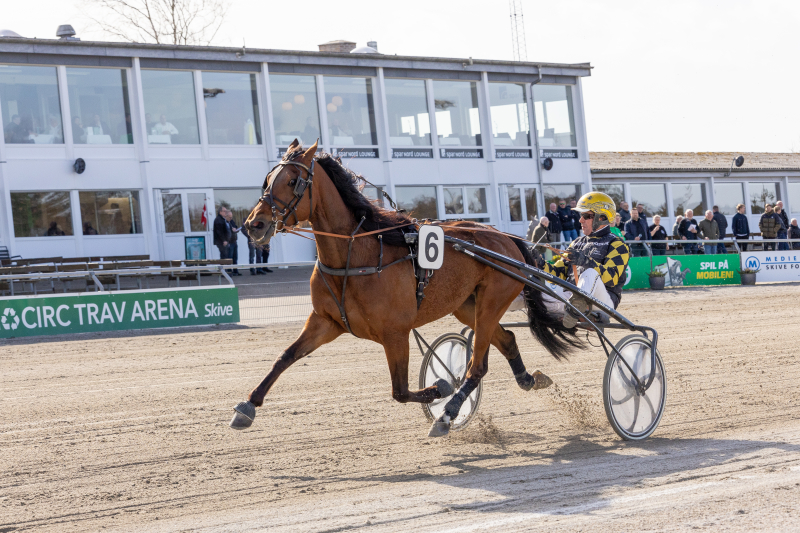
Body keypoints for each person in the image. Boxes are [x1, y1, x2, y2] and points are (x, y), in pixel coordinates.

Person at [532, 191, 630, 329]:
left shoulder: (617, 245)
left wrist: (585, 261)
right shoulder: (576, 242)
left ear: (602, 217)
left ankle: (575, 308)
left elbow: (611, 278)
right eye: (581, 216)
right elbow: (559, 272)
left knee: (590, 273)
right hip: (572, 299)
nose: (580, 220)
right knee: (532, 294)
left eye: (586, 216)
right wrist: (539, 263)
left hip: (602, 302)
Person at [225, 209, 241, 276]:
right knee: (229, 257)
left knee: (235, 257)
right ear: (226, 216)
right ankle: (228, 271)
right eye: (230, 217)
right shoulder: (223, 223)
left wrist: (235, 229)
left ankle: (235, 271)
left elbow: (235, 227)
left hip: (234, 241)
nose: (231, 218)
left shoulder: (231, 221)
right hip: (229, 242)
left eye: (231, 217)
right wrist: (231, 230)